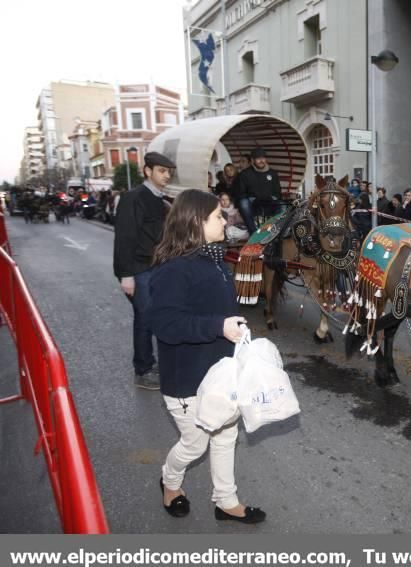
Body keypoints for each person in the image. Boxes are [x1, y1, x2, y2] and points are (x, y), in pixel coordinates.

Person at [147, 189, 266, 524]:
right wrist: (218, 325)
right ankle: (170, 482)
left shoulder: (212, 259)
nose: (225, 220)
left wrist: (235, 332)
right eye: (217, 216)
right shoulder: (173, 269)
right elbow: (166, 324)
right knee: (196, 444)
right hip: (188, 381)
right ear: (196, 222)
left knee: (226, 436)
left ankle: (226, 502)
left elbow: (217, 311)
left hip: (220, 375)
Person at [113, 151, 176, 390]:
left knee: (156, 316)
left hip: (158, 268)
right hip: (139, 270)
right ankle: (144, 369)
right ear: (147, 171)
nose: (166, 175)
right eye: (161, 171)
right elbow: (124, 239)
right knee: (145, 319)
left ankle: (151, 362)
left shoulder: (161, 200)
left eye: (168, 172)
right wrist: (126, 275)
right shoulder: (133, 198)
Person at [236, 148, 282, 234]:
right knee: (243, 202)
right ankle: (253, 232)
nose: (261, 161)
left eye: (263, 158)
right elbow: (241, 193)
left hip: (269, 202)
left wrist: (272, 197)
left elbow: (278, 192)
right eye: (258, 158)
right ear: (253, 160)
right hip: (253, 203)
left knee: (283, 204)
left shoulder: (273, 173)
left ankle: (276, 232)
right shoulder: (244, 174)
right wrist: (252, 198)